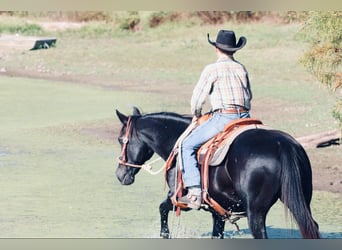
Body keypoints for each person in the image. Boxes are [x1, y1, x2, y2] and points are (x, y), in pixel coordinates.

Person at [178, 30, 253, 209]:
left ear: (216, 49)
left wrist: (197, 114)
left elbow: (197, 99)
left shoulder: (212, 69)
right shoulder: (241, 68)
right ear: (234, 50)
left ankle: (195, 192)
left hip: (224, 117)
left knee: (186, 145)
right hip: (245, 117)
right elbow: (249, 96)